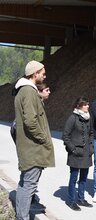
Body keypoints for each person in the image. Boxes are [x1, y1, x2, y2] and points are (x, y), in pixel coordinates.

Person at [14, 60, 55, 220]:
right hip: (32, 148)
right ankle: (22, 217)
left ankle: (21, 215)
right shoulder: (29, 92)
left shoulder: (25, 91)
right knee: (29, 185)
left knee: (25, 183)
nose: (44, 75)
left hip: (29, 147)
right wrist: (44, 138)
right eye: (42, 72)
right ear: (34, 73)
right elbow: (30, 122)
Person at [62, 97, 94, 211]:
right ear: (79, 106)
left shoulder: (88, 118)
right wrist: (73, 149)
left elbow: (91, 133)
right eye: (85, 104)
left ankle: (81, 199)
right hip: (75, 153)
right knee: (74, 177)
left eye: (88, 104)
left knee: (84, 178)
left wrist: (91, 147)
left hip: (86, 153)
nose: (87, 106)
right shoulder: (73, 118)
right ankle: (71, 201)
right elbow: (65, 136)